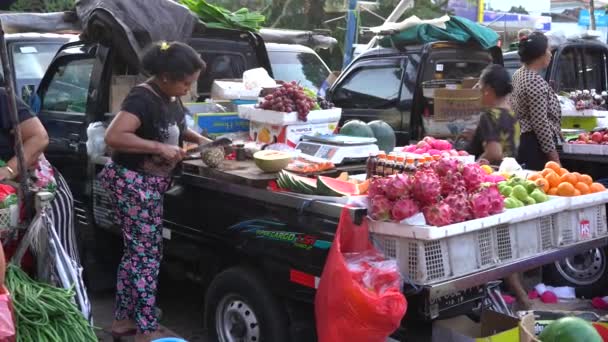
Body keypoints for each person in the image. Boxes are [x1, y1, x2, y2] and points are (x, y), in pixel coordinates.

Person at [100, 41, 210, 342]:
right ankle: (146, 330)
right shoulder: (141, 98)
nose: (188, 88)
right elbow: (115, 136)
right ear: (164, 76)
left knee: (136, 254)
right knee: (146, 257)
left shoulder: (169, 97)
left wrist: (203, 141)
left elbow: (177, 126)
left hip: (149, 185)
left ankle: (123, 322)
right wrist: (158, 147)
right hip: (132, 183)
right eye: (185, 82)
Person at [511, 31, 562, 170]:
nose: (550, 53)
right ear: (540, 54)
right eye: (548, 49)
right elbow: (540, 123)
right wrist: (555, 159)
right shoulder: (534, 81)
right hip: (535, 145)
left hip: (522, 138)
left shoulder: (519, 73)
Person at [468, 64, 520, 165]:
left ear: (487, 89)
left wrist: (474, 167)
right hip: (509, 173)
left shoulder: (489, 115)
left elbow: (494, 153)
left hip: (491, 174)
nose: (479, 91)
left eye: (480, 87)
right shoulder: (513, 115)